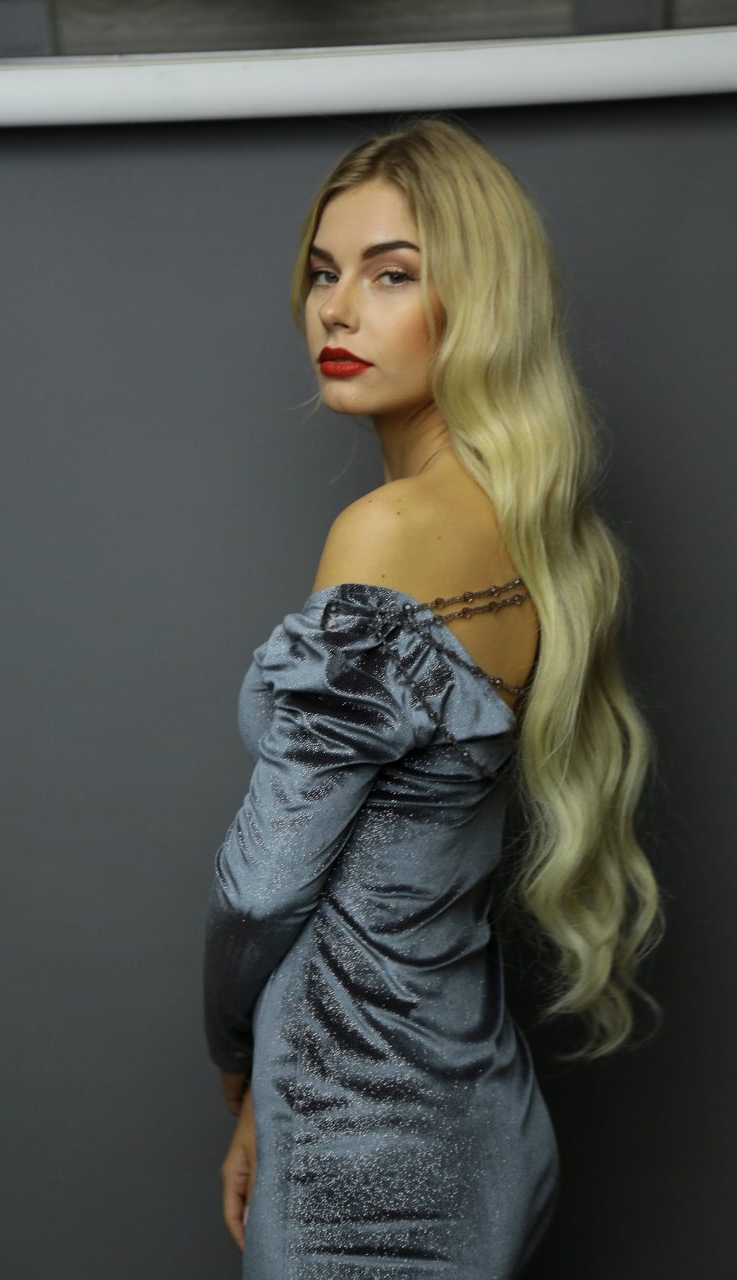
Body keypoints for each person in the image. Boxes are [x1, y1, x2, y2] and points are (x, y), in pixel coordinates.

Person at [202, 116, 664, 1277]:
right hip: (478, 1104)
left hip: (365, 1156)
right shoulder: (532, 528)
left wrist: (235, 1065)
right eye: (322, 272)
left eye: (391, 274)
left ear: (480, 301)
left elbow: (262, 887)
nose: (335, 310)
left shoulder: (388, 530)